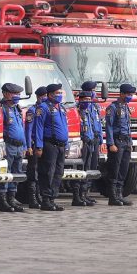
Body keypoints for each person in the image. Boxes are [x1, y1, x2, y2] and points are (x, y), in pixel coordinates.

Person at [34, 83, 68, 211]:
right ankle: (46, 199)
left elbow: (65, 127)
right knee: (48, 172)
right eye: (56, 93)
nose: (59, 95)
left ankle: (52, 198)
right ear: (49, 94)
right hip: (49, 145)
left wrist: (67, 144)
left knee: (59, 173)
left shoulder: (61, 108)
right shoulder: (43, 108)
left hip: (61, 145)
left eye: (60, 93)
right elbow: (38, 127)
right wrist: (38, 146)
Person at [105, 83, 135, 206]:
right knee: (115, 169)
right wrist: (111, 143)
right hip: (117, 141)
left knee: (123, 169)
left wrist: (130, 142)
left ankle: (119, 194)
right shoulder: (113, 108)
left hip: (126, 141)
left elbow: (128, 126)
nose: (130, 96)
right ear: (121, 94)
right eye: (128, 94)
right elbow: (109, 127)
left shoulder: (125, 107)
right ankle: (112, 197)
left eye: (131, 94)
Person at [0, 83, 25, 213]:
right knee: (5, 173)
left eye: (19, 94)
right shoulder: (2, 109)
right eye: (15, 94)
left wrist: (24, 145)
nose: (17, 96)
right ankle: (2, 199)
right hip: (8, 145)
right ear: (6, 94)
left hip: (19, 146)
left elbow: (21, 128)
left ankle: (11, 198)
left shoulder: (17, 109)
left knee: (16, 173)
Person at [24, 86, 48, 209]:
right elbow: (28, 131)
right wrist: (28, 146)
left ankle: (39, 196)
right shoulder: (32, 111)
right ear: (38, 97)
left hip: (42, 145)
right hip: (33, 145)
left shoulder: (44, 110)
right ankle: (32, 198)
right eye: (43, 96)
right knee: (33, 172)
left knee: (41, 172)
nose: (45, 98)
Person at [80, 81, 102, 205]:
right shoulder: (82, 108)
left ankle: (86, 192)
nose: (95, 93)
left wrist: (99, 139)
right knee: (85, 168)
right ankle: (81, 193)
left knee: (92, 167)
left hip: (94, 140)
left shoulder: (94, 106)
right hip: (86, 141)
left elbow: (97, 124)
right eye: (93, 90)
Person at [73, 91, 95, 207]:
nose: (87, 102)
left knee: (87, 170)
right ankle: (77, 196)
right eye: (85, 100)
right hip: (82, 144)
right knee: (80, 170)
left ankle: (84, 194)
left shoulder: (88, 112)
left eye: (89, 100)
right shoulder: (77, 112)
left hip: (89, 143)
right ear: (79, 100)